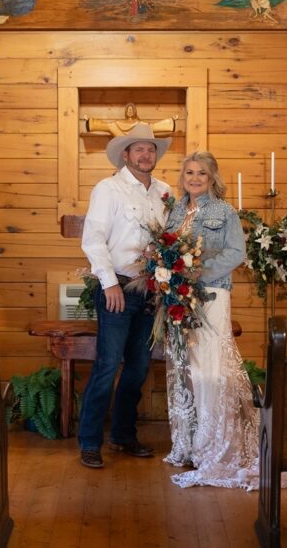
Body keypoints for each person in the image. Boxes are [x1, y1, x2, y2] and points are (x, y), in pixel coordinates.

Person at [162, 150, 259, 489]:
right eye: (189, 172)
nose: (194, 178)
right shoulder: (174, 210)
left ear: (212, 177)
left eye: (201, 173)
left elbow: (236, 252)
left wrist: (202, 272)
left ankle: (215, 445)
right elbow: (166, 248)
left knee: (211, 367)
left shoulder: (224, 211)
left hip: (212, 294)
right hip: (178, 299)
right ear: (183, 177)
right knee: (185, 367)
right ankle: (188, 443)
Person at [78, 123, 172, 469]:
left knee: (139, 367)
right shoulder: (108, 188)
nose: (146, 154)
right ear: (126, 155)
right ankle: (89, 441)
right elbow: (93, 239)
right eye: (139, 149)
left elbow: (170, 240)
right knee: (107, 365)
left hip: (152, 291)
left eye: (151, 149)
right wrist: (109, 283)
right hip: (119, 286)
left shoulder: (164, 191)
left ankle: (122, 434)